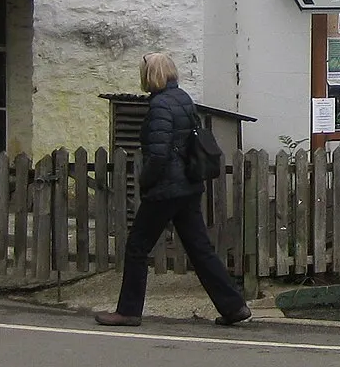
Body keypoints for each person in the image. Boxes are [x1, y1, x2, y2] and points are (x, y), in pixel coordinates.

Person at [96, 53, 251, 327]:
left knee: (137, 246)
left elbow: (157, 154)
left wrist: (145, 181)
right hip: (189, 185)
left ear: (150, 75)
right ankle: (234, 306)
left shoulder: (159, 107)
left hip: (166, 188)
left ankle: (129, 311)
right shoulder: (183, 99)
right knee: (200, 248)